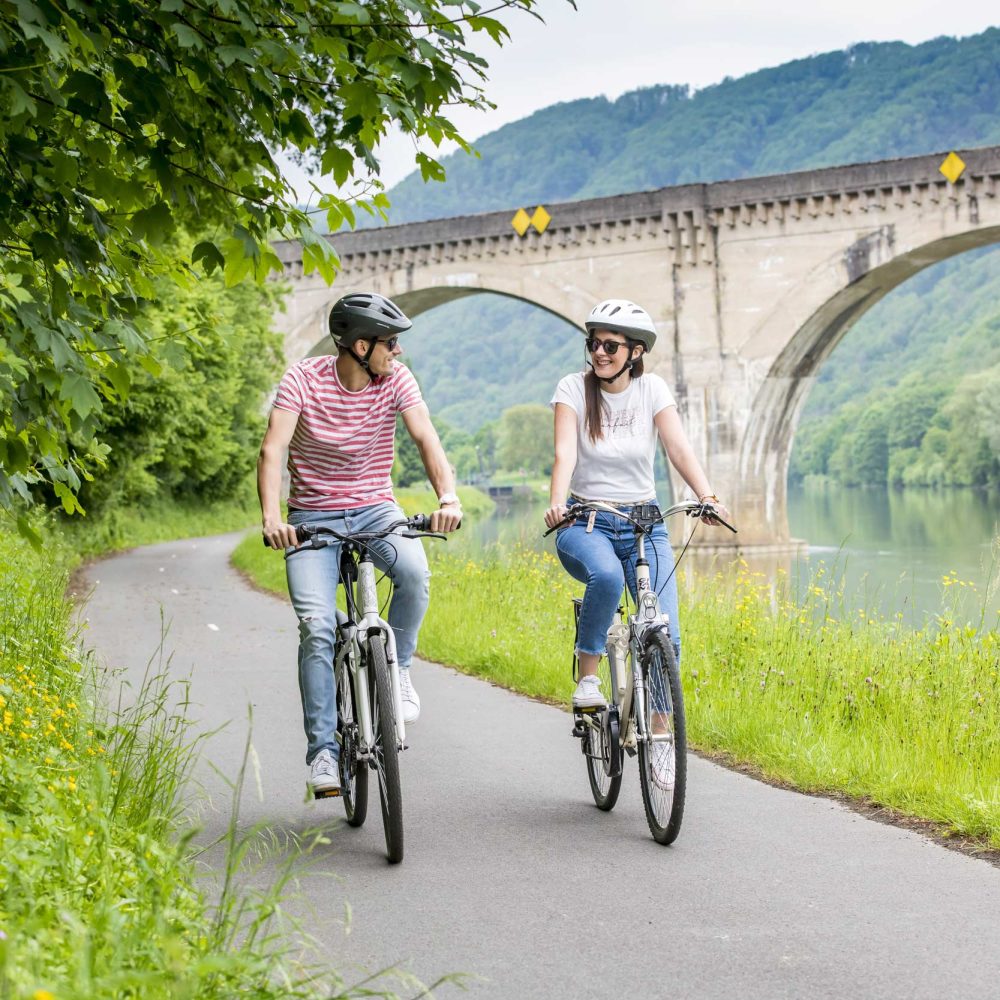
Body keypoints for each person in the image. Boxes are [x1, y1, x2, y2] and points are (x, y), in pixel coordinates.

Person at [258, 292, 462, 797]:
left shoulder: (396, 380)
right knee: (317, 626)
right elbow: (273, 448)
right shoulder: (302, 379)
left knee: (414, 573)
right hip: (311, 518)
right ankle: (324, 753)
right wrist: (271, 518)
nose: (397, 352)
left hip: (375, 507)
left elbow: (425, 438)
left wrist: (449, 497)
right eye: (390, 343)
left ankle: (402, 669)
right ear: (359, 345)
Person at [543, 299, 730, 737]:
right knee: (605, 578)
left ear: (636, 352)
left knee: (667, 633)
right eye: (594, 344)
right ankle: (589, 678)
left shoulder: (652, 391)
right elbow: (564, 452)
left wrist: (706, 496)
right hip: (585, 522)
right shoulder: (572, 388)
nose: (600, 352)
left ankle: (662, 735)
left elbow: (677, 447)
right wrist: (556, 500)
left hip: (646, 525)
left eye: (611, 345)